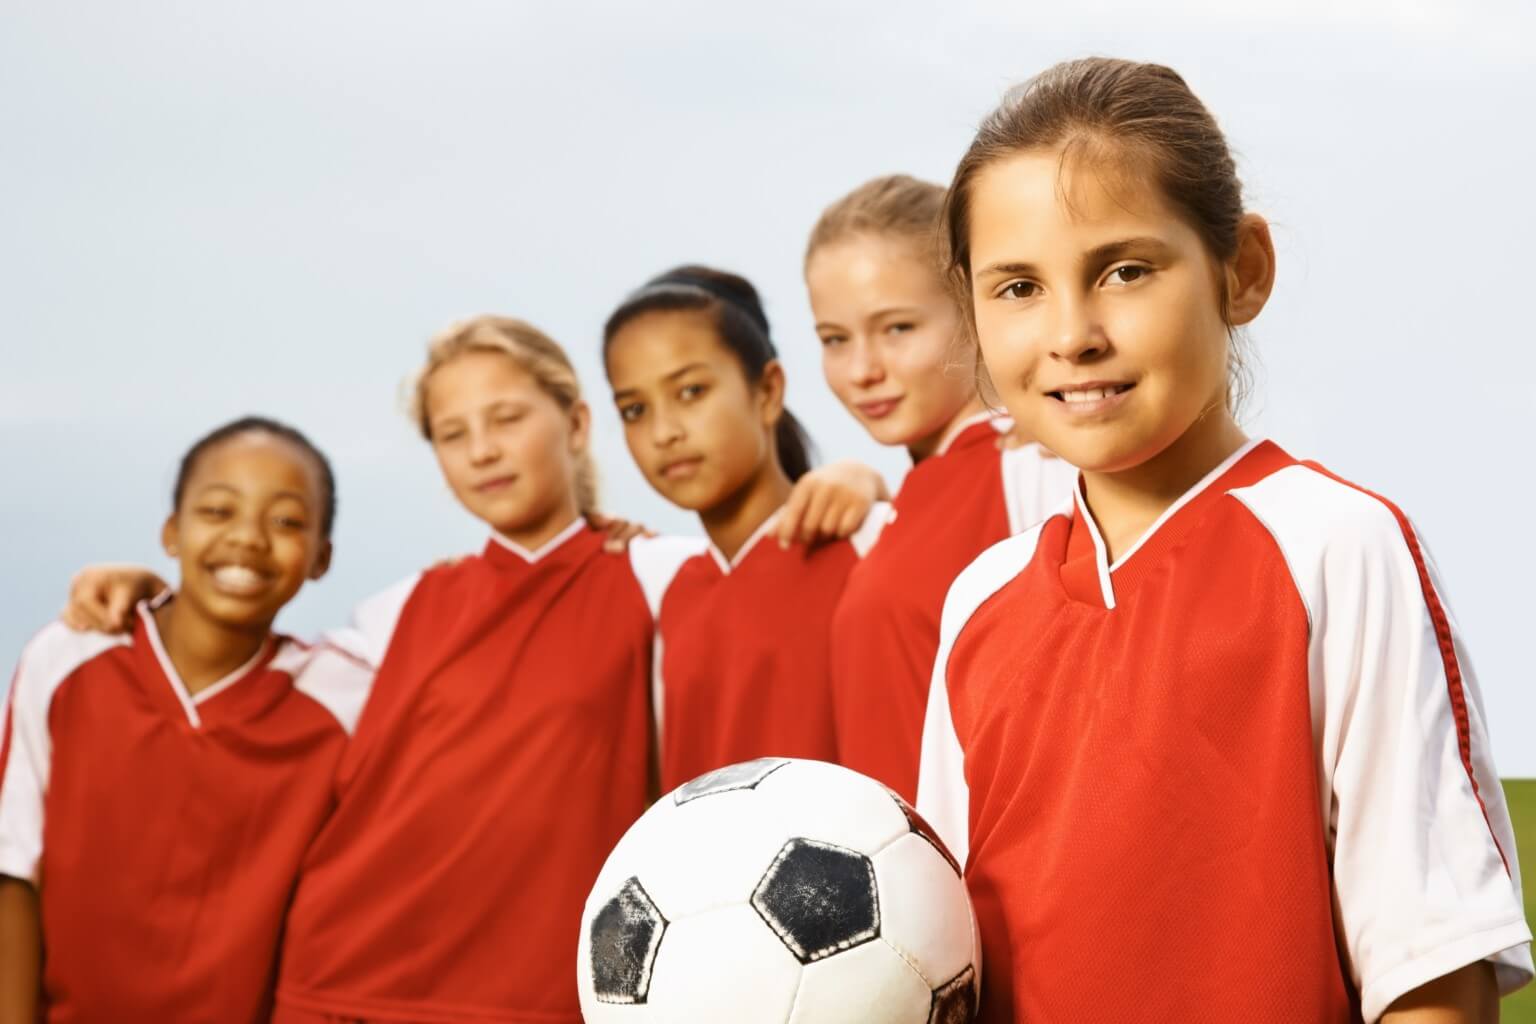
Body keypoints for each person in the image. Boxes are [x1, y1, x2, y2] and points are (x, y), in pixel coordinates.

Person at [915, 57, 1532, 1023]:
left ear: (1241, 270)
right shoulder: (979, 602)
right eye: (1019, 287)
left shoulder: (1338, 548)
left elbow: (1431, 969)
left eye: (1125, 270)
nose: (1072, 334)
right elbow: (941, 970)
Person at [57, 315, 885, 1023]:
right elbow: (257, 674)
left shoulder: (655, 576)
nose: (482, 450)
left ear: (574, 423)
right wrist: (154, 596)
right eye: (453, 435)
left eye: (506, 419)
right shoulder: (406, 607)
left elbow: (759, 572)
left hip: (535, 996)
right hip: (341, 984)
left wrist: (856, 476)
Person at [0, 417, 370, 1023]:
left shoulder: (348, 694)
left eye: (286, 521)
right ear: (172, 533)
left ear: (321, 558)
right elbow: (15, 870)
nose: (248, 539)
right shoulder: (68, 657)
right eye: (218, 511)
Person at [804, 174, 1076, 800]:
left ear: (972, 307)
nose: (863, 370)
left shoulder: (1034, 462)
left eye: (897, 328)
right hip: (892, 884)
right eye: (834, 340)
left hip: (988, 883)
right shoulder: (906, 502)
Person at [604, 265, 886, 791]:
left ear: (768, 390)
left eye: (690, 391)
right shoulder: (668, 591)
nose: (664, 432)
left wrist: (870, 481)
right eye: (635, 409)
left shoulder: (867, 542)